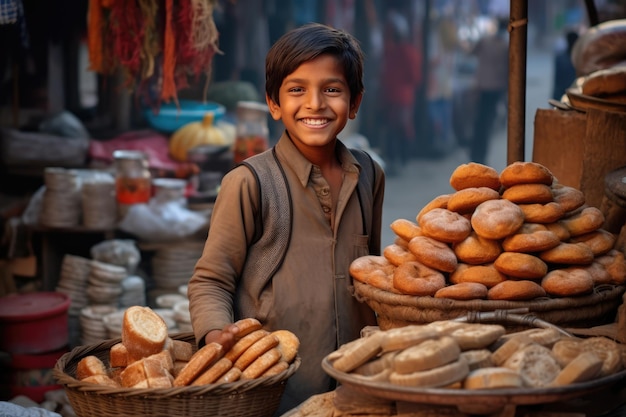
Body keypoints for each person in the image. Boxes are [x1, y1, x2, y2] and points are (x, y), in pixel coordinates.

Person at [187, 23, 384, 415]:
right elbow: (211, 279)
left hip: (355, 383)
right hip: (275, 391)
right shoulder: (249, 184)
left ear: (355, 102)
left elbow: (373, 271)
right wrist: (215, 335)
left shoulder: (370, 175)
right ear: (274, 104)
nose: (315, 104)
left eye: (332, 89)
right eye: (297, 90)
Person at [379, 8, 422, 173]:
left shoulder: (392, 52)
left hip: (394, 95)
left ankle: (398, 159)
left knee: (395, 129)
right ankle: (401, 159)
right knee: (401, 128)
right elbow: (415, 77)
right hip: (403, 96)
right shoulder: (408, 52)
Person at [469, 18, 509, 164]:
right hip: (496, 88)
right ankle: (481, 154)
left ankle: (475, 153)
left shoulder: (485, 41)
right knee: (487, 123)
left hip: (481, 86)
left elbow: (471, 52)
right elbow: (508, 70)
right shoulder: (505, 46)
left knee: (479, 121)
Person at [552, 30, 579, 101]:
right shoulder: (580, 58)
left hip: (565, 93)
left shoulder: (560, 57)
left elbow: (557, 80)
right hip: (574, 94)